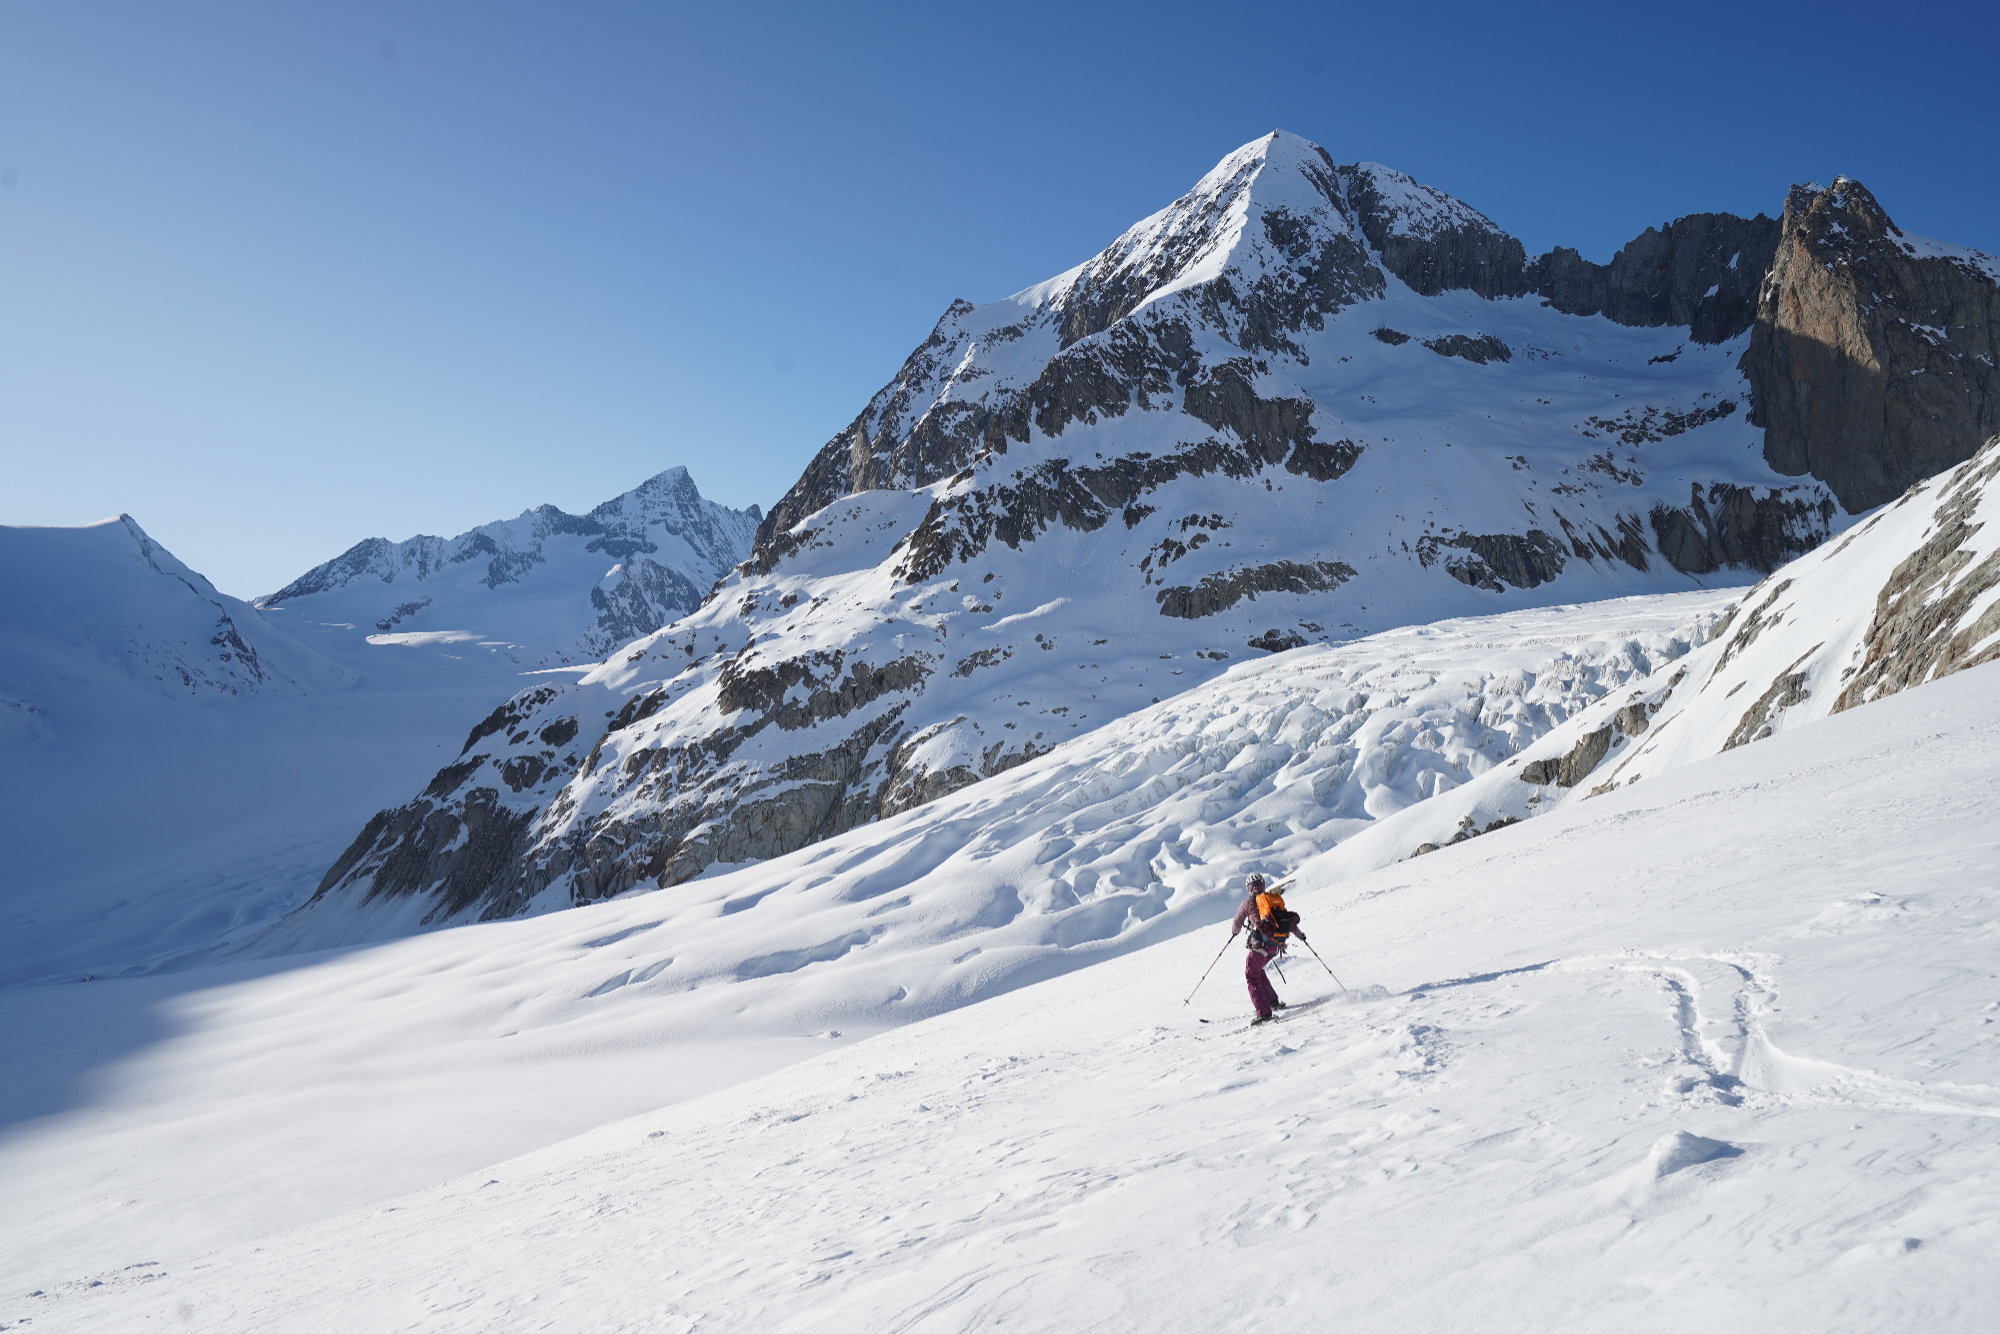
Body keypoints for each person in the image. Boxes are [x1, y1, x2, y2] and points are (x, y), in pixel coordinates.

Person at [1230, 872, 1301, 1025]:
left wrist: (1234, 932)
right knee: (1258, 971)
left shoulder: (1247, 903)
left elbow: (1237, 922)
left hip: (1260, 946)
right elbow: (1285, 920)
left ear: (1249, 888)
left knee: (1251, 974)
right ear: (1262, 885)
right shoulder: (1271, 900)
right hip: (1275, 946)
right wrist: (1299, 934)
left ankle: (1264, 1012)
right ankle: (1272, 1001)